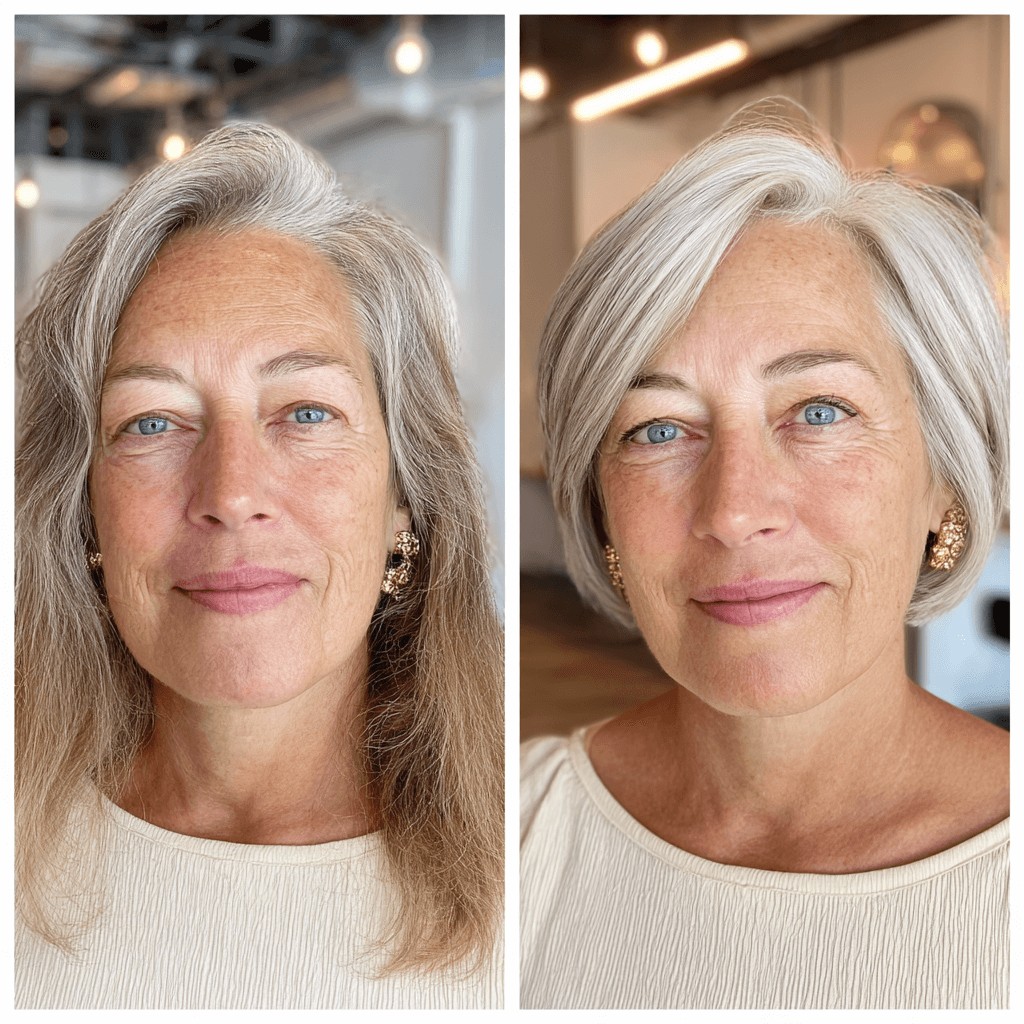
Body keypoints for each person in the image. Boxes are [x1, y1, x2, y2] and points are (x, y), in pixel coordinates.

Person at [521, 100, 1008, 1010]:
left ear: (943, 475)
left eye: (819, 411)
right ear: (601, 514)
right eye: (658, 428)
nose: (736, 510)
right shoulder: (503, 838)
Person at [16, 122, 502, 1009]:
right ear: (84, 512)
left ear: (407, 500)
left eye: (306, 413)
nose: (232, 493)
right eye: (153, 422)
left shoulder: (540, 862)